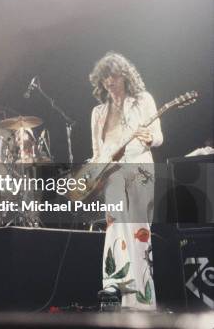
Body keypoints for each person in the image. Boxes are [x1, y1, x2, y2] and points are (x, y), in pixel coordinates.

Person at [89, 52, 163, 311]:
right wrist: (90, 175)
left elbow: (158, 137)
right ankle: (114, 282)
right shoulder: (98, 112)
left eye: (114, 75)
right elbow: (98, 152)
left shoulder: (142, 100)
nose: (109, 80)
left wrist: (148, 137)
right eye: (104, 77)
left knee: (139, 229)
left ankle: (142, 299)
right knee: (115, 220)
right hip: (113, 171)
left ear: (124, 75)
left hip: (141, 167)